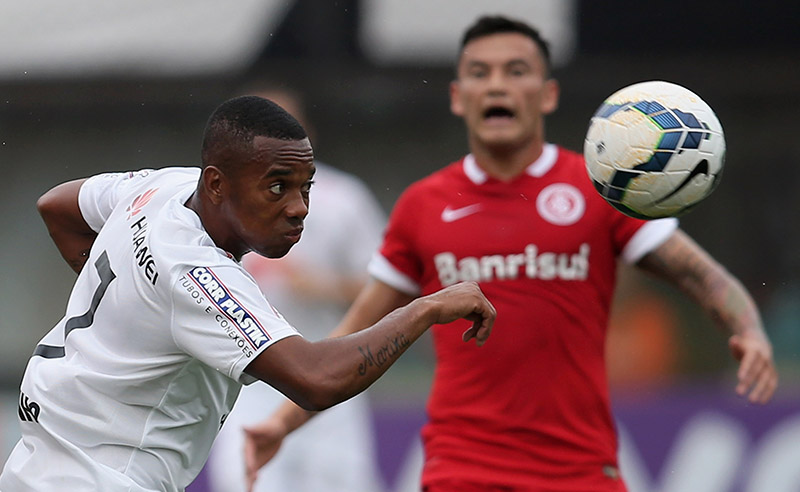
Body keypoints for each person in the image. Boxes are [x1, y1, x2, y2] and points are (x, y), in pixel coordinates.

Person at [246, 15, 778, 492]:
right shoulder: (424, 205)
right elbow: (354, 335)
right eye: (480, 72)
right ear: (458, 96)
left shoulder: (599, 192)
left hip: (580, 471)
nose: (497, 83)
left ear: (547, 94)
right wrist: (283, 421)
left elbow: (703, 277)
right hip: (462, 471)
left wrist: (748, 328)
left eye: (515, 70)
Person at [0, 95, 496, 492]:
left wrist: (131, 308)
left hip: (38, 461)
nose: (299, 208)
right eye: (277, 187)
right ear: (217, 185)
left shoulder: (163, 187)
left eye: (307, 186)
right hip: (106, 478)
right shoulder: (197, 272)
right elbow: (316, 379)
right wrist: (428, 308)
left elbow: (58, 205)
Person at [205, 88, 386, 492]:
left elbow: (388, 288)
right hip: (246, 383)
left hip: (330, 379)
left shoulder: (344, 198)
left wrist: (320, 285)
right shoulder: (213, 201)